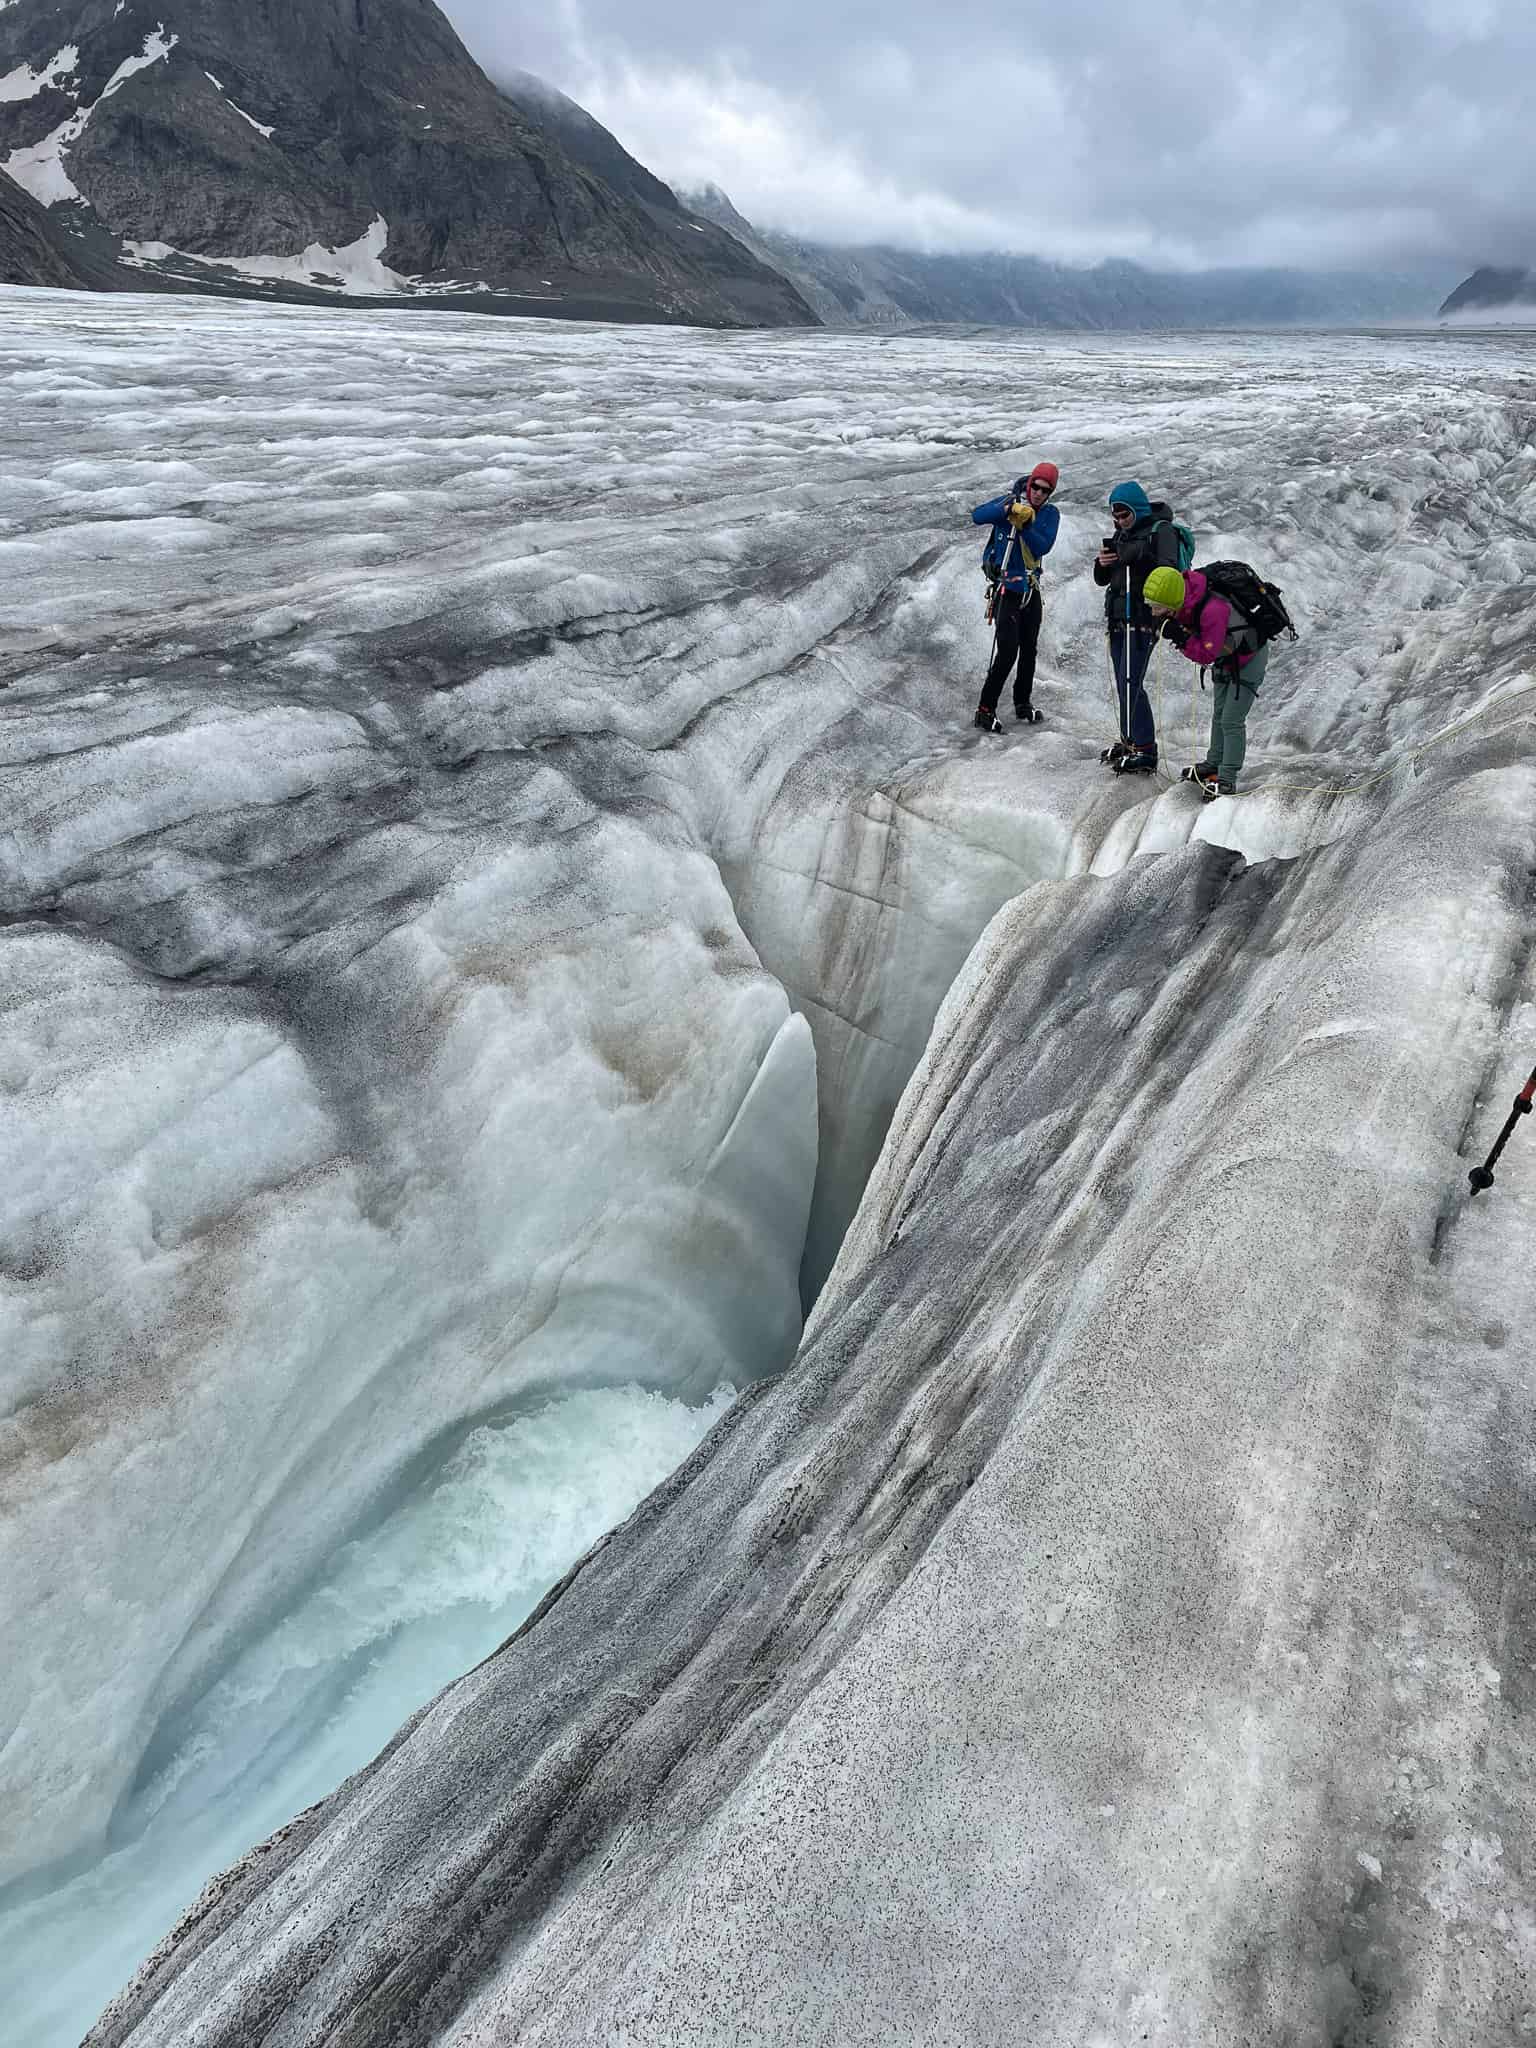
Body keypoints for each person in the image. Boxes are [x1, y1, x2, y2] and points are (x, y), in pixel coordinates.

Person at [1143, 565, 1268, 798]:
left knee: (1231, 720)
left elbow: (1207, 654)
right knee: (1219, 714)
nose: (1154, 612)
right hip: (1226, 658)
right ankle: (1214, 763)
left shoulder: (1212, 610)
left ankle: (1227, 778)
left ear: (1172, 601)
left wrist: (1181, 638)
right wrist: (1177, 631)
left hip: (1248, 660)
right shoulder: (1184, 601)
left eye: (1157, 607)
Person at [1092, 481, 1186, 773]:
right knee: (1124, 682)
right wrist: (1102, 563)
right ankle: (1130, 740)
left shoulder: (1162, 531)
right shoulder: (1122, 535)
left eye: (1125, 515)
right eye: (1116, 516)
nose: (1120, 521)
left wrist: (1133, 552)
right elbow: (1102, 580)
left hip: (1144, 618)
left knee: (1131, 681)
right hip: (1119, 618)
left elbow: (1169, 569)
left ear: (1138, 509)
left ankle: (1146, 749)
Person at [969, 462, 1060, 733]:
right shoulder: (1010, 502)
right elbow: (977, 516)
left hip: (1030, 589)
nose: (1039, 493)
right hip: (1006, 590)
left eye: (1045, 490)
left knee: (1029, 650)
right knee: (1008, 650)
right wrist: (1007, 510)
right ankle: (985, 709)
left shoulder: (1050, 514)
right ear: (1029, 483)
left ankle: (1023, 703)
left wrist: (1025, 526)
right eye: (1036, 487)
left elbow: (1043, 546)